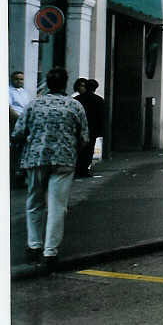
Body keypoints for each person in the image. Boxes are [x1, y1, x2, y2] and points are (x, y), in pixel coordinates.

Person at [11, 67, 88, 267]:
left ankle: (33, 245)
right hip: (64, 160)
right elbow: (84, 137)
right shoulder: (74, 106)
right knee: (57, 206)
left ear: (47, 83)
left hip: (35, 158)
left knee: (34, 202)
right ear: (65, 83)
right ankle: (50, 251)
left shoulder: (34, 104)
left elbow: (18, 133)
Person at [75, 79, 106, 177]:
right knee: (89, 150)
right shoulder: (99, 100)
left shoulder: (77, 99)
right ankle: (84, 169)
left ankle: (77, 169)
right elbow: (102, 116)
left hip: (79, 128)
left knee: (78, 149)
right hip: (92, 129)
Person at [9, 71, 31, 187]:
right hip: (14, 122)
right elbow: (8, 108)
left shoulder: (24, 92)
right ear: (12, 79)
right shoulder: (8, 91)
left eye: (21, 79)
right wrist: (19, 121)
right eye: (17, 79)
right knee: (14, 150)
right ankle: (13, 177)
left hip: (25, 123)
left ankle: (21, 176)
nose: (19, 81)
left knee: (24, 150)